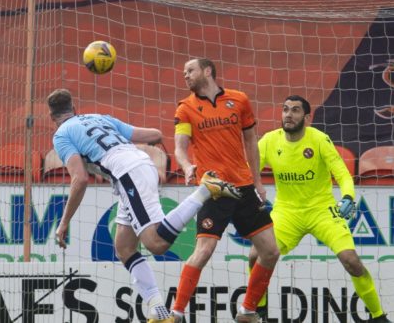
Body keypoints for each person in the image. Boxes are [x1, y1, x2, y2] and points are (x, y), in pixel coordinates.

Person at [47, 88, 241, 323]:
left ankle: (204, 190)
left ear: (52, 118)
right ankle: (158, 310)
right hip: (137, 167)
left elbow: (79, 179)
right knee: (124, 246)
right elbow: (154, 134)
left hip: (129, 174)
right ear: (75, 108)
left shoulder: (61, 135)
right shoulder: (100, 118)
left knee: (156, 243)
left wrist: (64, 222)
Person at [248, 95, 391, 323]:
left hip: (322, 210)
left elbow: (342, 173)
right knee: (255, 256)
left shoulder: (319, 140)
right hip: (287, 211)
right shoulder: (269, 141)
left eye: (295, 110)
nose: (288, 114)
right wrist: (252, 194)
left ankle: (378, 317)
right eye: (285, 109)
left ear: (306, 117)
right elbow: (249, 172)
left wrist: (347, 197)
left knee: (351, 261)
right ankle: (260, 311)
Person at [171, 58, 280, 323]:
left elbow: (251, 141)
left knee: (270, 251)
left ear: (207, 71)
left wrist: (257, 182)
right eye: (184, 72)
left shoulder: (239, 100)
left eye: (190, 70)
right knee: (203, 251)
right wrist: (186, 166)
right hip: (214, 189)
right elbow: (180, 147)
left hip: (243, 187)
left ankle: (247, 310)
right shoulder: (185, 108)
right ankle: (176, 313)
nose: (185, 75)